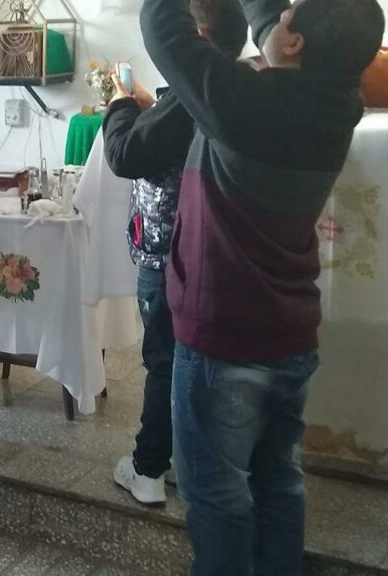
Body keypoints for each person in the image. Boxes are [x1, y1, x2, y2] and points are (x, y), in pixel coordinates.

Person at [140, 0, 384, 572]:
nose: (283, 11)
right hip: (290, 334)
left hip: (223, 338)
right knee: (280, 484)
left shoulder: (248, 104)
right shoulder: (337, 102)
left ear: (294, 45)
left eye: (292, 11)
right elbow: (274, 24)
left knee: (217, 498)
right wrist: (280, 21)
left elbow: (162, 27)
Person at [103, 0, 247, 506]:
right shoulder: (237, 86)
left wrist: (120, 104)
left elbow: (126, 154)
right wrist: (150, 103)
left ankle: (147, 469)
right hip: (216, 255)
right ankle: (188, 463)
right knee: (197, 361)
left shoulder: (190, 94)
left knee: (164, 359)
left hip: (168, 253)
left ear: (198, 36)